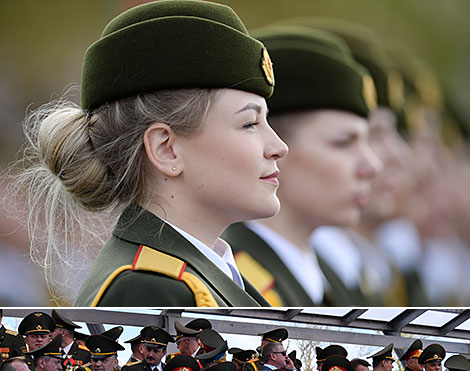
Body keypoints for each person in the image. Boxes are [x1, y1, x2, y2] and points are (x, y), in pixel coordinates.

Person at [24, 1, 287, 309]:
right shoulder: (146, 286)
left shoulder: (197, 270)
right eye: (250, 123)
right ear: (166, 149)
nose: (279, 146)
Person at [224, 26, 378, 306]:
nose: (372, 165)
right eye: (343, 143)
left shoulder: (329, 275)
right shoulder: (237, 284)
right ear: (276, 147)